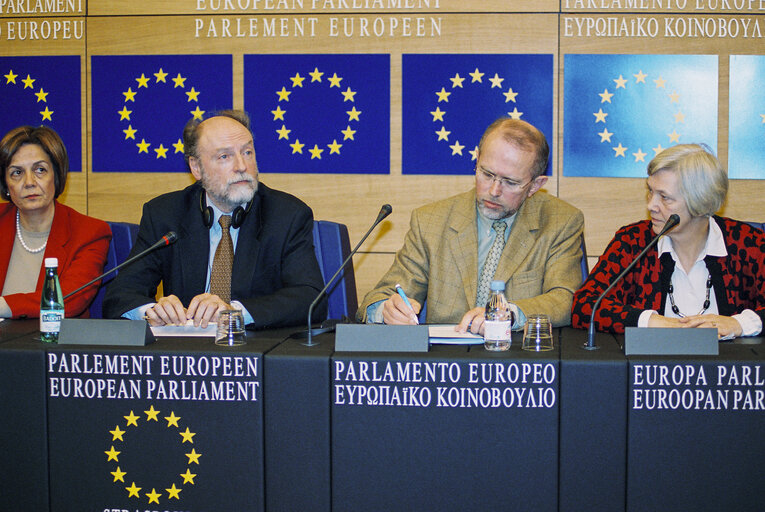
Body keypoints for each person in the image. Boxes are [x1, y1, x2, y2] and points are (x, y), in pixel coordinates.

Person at [357, 117, 585, 333]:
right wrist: (386, 311)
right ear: (476, 160)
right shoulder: (430, 221)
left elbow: (565, 299)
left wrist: (508, 315)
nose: (494, 191)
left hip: (517, 360)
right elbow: (378, 297)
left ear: (535, 185)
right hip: (444, 362)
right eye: (487, 174)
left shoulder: (560, 222)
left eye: (510, 182)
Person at [102, 110, 326, 329]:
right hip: (185, 355)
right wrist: (151, 312)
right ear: (196, 168)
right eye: (225, 156)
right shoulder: (165, 214)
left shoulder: (286, 215)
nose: (241, 166)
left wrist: (234, 312)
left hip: (254, 353)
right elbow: (120, 295)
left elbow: (310, 298)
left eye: (247, 152)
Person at [571, 143, 765, 339]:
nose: (651, 205)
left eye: (664, 197)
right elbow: (585, 306)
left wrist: (738, 323)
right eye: (650, 191)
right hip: (651, 369)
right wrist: (654, 321)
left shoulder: (750, 244)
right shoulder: (632, 242)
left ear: (701, 202)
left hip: (730, 369)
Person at [0, 126, 111, 319]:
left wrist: (4, 306)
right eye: (17, 173)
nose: (29, 182)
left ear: (57, 175)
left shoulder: (89, 233)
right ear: (6, 185)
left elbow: (69, 300)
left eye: (40, 170)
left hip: (53, 343)